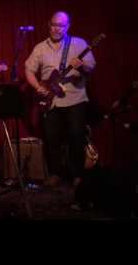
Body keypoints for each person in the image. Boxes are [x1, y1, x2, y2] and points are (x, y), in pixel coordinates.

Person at [24, 11, 96, 189]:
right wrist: (37, 87)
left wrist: (83, 66)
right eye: (54, 25)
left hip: (75, 98)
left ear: (68, 27)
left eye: (61, 25)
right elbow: (28, 69)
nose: (57, 29)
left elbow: (91, 68)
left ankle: (77, 175)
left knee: (76, 137)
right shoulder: (40, 47)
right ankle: (55, 173)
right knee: (51, 138)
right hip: (51, 100)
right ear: (49, 25)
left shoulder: (79, 44)